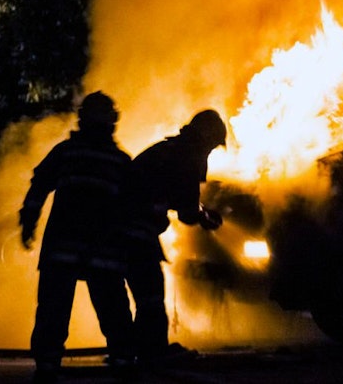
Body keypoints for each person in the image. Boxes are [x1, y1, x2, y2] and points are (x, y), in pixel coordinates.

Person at [18, 91, 135, 383]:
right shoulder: (120, 161)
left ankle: (47, 362)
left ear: (82, 120)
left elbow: (39, 186)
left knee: (53, 308)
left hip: (62, 248)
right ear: (113, 122)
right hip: (103, 250)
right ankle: (122, 357)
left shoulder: (66, 152)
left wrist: (28, 223)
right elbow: (132, 206)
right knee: (113, 306)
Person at [122, 109, 226, 364]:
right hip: (135, 229)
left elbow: (181, 201)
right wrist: (205, 218)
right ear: (206, 136)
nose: (211, 151)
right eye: (213, 145)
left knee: (139, 291)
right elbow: (188, 213)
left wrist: (199, 212)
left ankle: (131, 348)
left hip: (122, 227)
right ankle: (152, 351)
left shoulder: (172, 149)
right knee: (151, 291)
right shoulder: (190, 155)